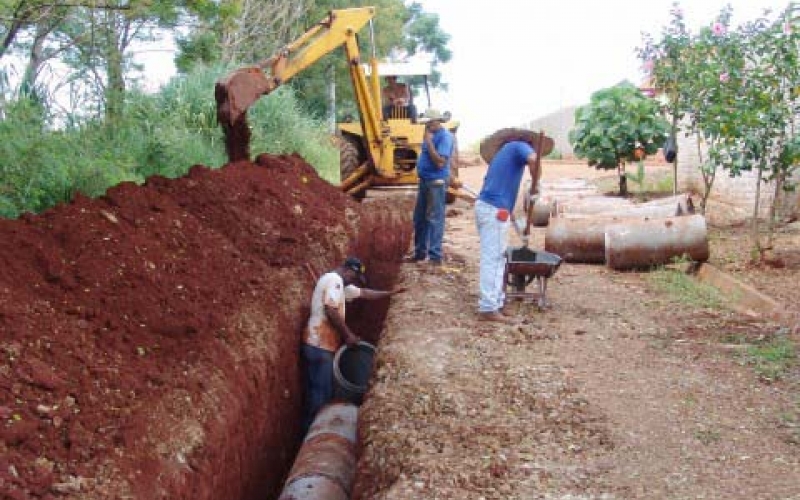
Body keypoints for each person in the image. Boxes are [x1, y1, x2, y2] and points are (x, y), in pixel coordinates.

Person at [302, 256, 405, 432]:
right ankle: (313, 433)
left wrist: (390, 294)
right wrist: (348, 335)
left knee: (323, 390)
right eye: (354, 277)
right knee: (321, 392)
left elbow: (364, 293)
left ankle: (316, 429)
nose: (353, 281)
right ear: (347, 270)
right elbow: (331, 310)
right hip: (318, 344)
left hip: (322, 344)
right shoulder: (334, 280)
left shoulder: (341, 286)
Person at [474, 134, 540, 323]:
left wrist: (518, 226)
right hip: (494, 210)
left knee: (498, 258)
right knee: (494, 259)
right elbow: (534, 159)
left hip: (489, 208)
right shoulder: (519, 146)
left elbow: (498, 189)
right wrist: (537, 184)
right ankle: (489, 308)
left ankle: (497, 302)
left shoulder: (503, 155)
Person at [408, 109, 455, 266]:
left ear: (435, 122)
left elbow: (440, 162)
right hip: (425, 181)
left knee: (435, 218)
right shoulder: (432, 134)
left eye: (428, 124)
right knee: (420, 218)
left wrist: (428, 143)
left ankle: (435, 257)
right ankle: (420, 252)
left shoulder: (445, 137)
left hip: (436, 182)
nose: (426, 127)